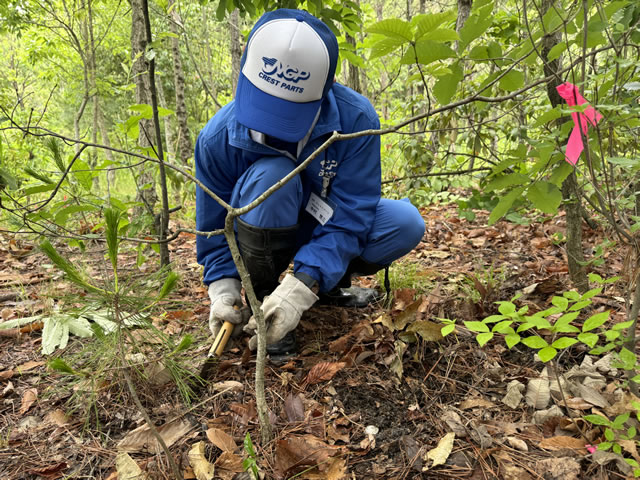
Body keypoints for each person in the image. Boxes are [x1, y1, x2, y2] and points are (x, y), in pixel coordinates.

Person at [195, 8, 425, 354]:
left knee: (404, 223)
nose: (272, 125)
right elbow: (214, 229)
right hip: (257, 228)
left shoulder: (355, 120)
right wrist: (224, 290)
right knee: (273, 178)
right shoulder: (217, 139)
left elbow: (352, 214)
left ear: (326, 88)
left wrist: (302, 287)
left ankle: (320, 286)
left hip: (320, 222)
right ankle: (263, 298)